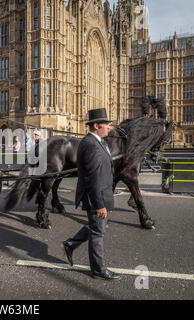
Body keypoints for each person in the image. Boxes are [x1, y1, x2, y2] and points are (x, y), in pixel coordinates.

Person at [61, 108, 121, 281]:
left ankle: (70, 244)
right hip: (97, 197)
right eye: (106, 125)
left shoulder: (99, 142)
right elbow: (92, 178)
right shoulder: (90, 145)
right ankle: (98, 269)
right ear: (96, 126)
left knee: (96, 227)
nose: (109, 128)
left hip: (103, 193)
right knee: (98, 233)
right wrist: (99, 204)